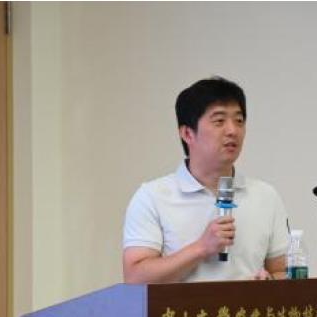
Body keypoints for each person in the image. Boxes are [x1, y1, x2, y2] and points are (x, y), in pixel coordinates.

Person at [121, 76, 289, 284]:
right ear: (187, 133)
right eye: (219, 121)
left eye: (239, 121)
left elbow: (283, 271)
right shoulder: (152, 197)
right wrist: (201, 248)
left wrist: (270, 280)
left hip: (248, 306)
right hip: (183, 307)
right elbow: (135, 278)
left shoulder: (266, 196)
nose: (232, 131)